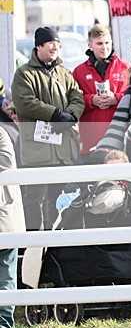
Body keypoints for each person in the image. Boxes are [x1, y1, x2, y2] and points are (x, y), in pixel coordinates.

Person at [12, 26, 85, 230]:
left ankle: (57, 247)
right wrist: (56, 115)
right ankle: (33, 244)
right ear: (39, 46)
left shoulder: (64, 73)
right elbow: (26, 102)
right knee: (33, 198)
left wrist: (70, 116)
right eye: (50, 43)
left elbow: (77, 97)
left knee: (60, 198)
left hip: (63, 152)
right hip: (36, 152)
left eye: (57, 43)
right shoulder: (24, 74)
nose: (55, 47)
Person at [72, 24, 129, 160]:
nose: (104, 47)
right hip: (90, 141)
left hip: (118, 140)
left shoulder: (125, 68)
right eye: (99, 43)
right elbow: (73, 101)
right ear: (90, 46)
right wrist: (91, 100)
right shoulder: (79, 72)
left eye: (107, 43)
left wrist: (116, 98)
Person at [0, 126, 25, 328]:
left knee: (6, 276)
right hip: (6, 218)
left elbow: (6, 168)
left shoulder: (1, 133)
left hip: (4, 218)